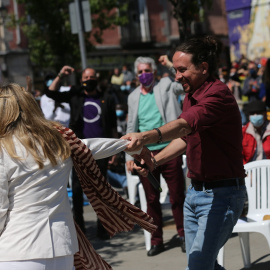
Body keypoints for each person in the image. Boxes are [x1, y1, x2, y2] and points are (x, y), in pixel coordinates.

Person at [0, 82, 156, 270]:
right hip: (62, 247)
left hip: (17, 249)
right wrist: (130, 145)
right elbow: (92, 146)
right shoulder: (59, 141)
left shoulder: (3, 150)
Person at [122, 35, 247, 270]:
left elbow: (183, 125)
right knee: (201, 264)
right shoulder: (190, 95)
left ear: (203, 68)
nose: (177, 76)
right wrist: (154, 161)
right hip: (195, 194)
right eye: (175, 69)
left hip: (222, 195)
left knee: (199, 265)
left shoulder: (217, 95)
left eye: (181, 69)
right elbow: (184, 139)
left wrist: (145, 136)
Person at [45, 66, 118, 238]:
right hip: (79, 150)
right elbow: (51, 93)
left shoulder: (106, 98)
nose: (89, 80)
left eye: (92, 77)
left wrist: (115, 150)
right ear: (81, 80)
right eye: (86, 77)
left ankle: (103, 228)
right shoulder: (76, 96)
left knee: (101, 190)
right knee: (77, 191)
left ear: (97, 79)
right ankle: (80, 229)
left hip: (101, 149)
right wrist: (61, 75)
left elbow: (113, 126)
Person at [126, 56, 186, 256]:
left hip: (170, 149)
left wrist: (169, 64)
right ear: (136, 76)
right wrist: (129, 158)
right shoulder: (133, 96)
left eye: (148, 70)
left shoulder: (166, 85)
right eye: (141, 72)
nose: (144, 75)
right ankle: (157, 240)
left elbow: (182, 84)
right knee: (151, 199)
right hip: (145, 154)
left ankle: (184, 235)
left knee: (177, 195)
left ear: (154, 71)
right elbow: (130, 127)